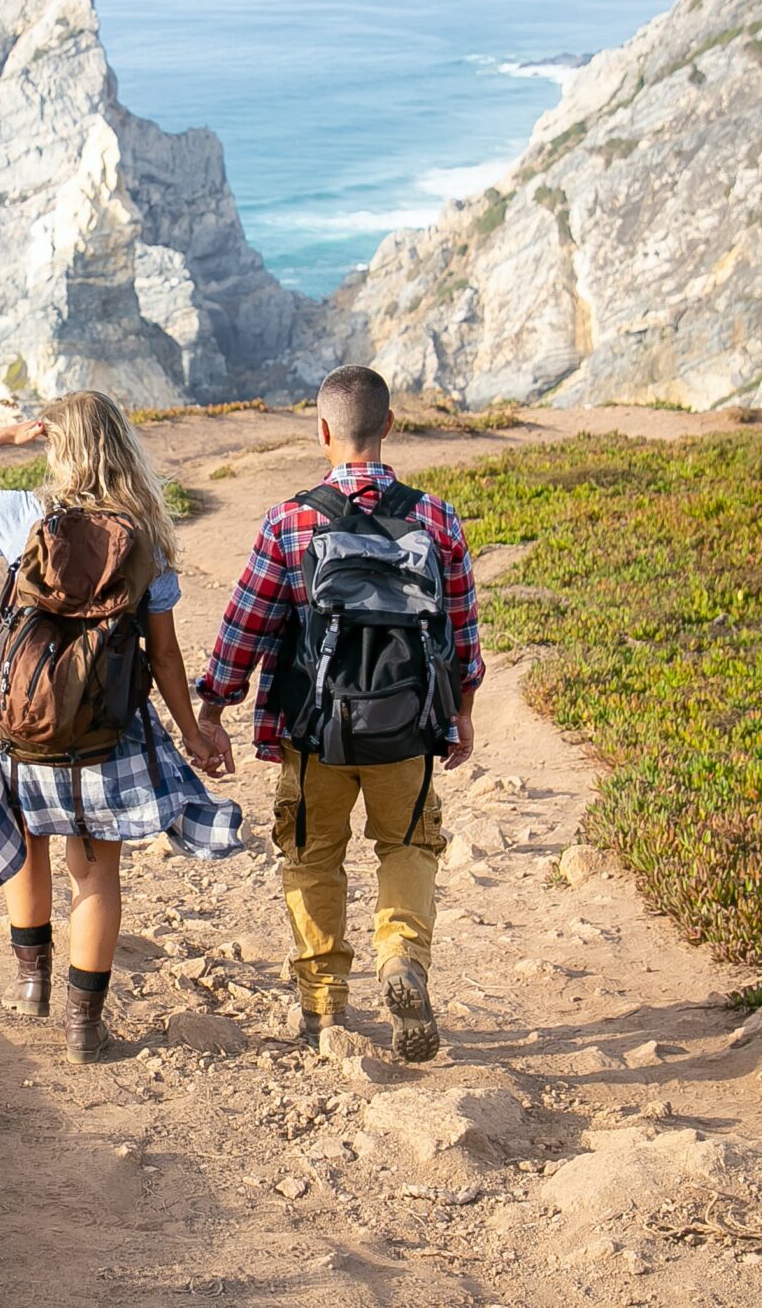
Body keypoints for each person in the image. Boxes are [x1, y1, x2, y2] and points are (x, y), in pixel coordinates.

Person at [0, 390, 244, 1062]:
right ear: (123, 447)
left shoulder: (25, 515)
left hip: (23, 723)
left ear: (60, 450)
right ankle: (83, 1032)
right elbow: (166, 656)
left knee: (27, 847)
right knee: (93, 875)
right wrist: (193, 733)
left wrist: (2, 438)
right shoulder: (144, 533)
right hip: (105, 732)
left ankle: (32, 988)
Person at [193, 365, 481, 1062]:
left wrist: (212, 707)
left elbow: (246, 627)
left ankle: (324, 1012)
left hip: (314, 731)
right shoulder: (435, 517)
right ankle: (400, 959)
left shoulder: (290, 520)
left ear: (322, 431)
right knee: (408, 848)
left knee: (313, 860)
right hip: (407, 729)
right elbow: (463, 631)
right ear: (389, 425)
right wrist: (462, 712)